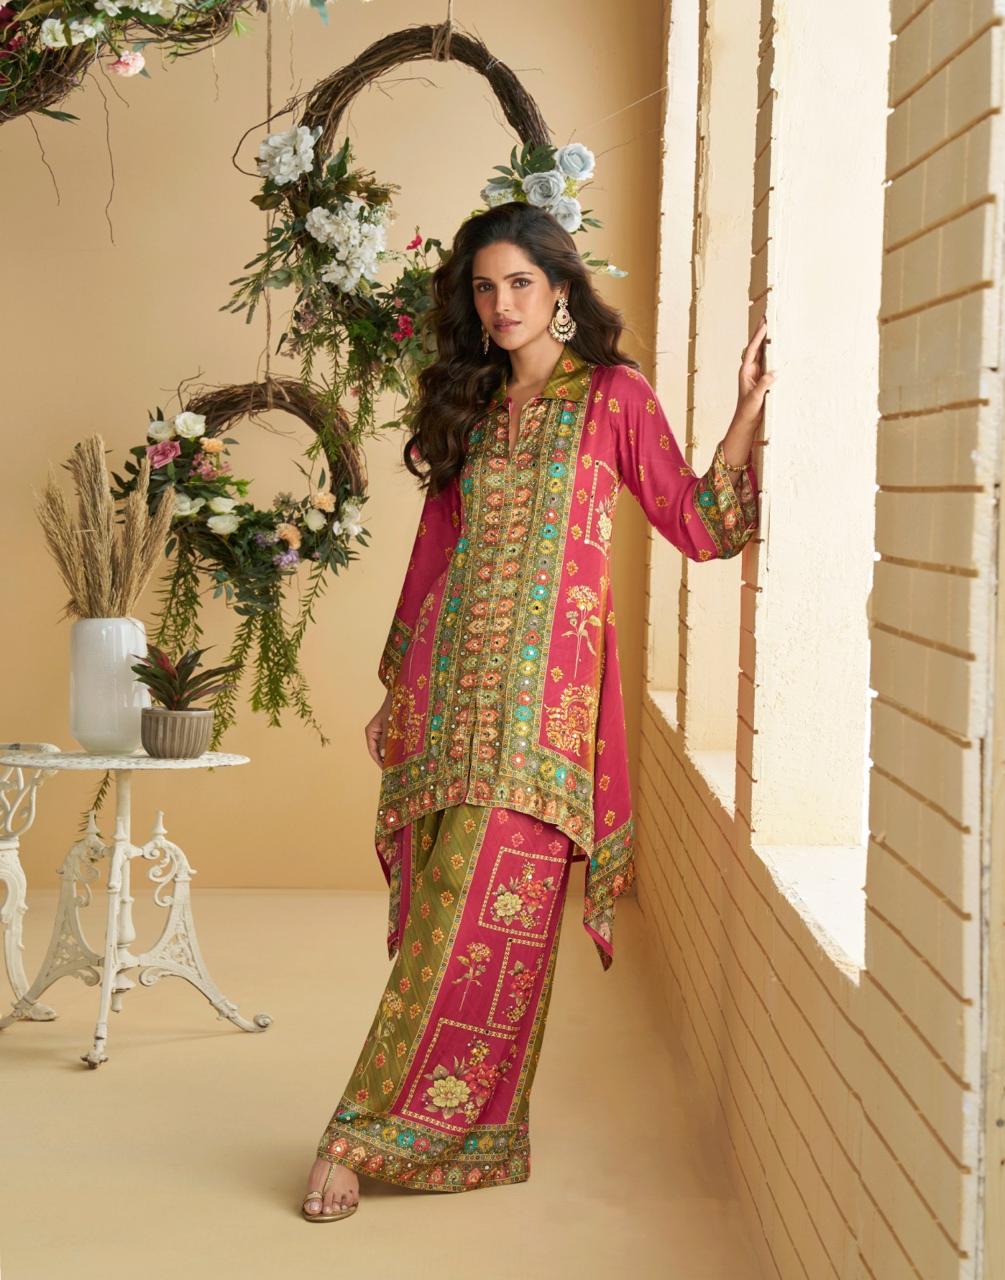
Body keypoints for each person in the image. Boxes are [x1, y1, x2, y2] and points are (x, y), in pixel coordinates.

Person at [300, 199, 772, 1221]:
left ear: (560, 289)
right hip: (451, 694)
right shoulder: (469, 414)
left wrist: (742, 419)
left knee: (482, 915)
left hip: (545, 719)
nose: (502, 302)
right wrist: (398, 689)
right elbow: (435, 564)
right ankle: (471, 1135)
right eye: (485, 286)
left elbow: (695, 522)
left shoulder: (611, 396)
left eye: (520, 282)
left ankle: (362, 1130)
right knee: (453, 919)